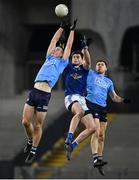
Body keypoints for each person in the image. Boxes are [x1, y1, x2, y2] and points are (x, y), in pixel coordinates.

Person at [22, 19, 77, 164]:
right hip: (34, 91)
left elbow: (69, 46)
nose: (55, 49)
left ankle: (34, 149)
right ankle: (30, 140)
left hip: (44, 95)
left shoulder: (62, 62)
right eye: (55, 49)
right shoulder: (49, 57)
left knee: (38, 125)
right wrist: (60, 28)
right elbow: (54, 40)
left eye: (58, 49)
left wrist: (71, 30)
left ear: (61, 53)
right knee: (25, 122)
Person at [86, 60, 131, 175]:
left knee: (101, 136)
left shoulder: (108, 81)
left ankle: (99, 160)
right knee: (96, 132)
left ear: (106, 68)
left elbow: (114, 97)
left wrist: (123, 100)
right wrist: (85, 48)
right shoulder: (91, 74)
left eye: (102, 64)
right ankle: (95, 158)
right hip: (92, 105)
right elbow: (85, 62)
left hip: (103, 109)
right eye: (98, 64)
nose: (99, 65)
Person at [63, 35, 96, 160]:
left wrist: (85, 48)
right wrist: (63, 44)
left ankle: (72, 145)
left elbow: (88, 61)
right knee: (80, 112)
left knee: (92, 128)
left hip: (82, 99)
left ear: (81, 60)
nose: (76, 58)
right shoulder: (68, 68)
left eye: (78, 57)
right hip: (71, 97)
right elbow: (67, 55)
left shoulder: (84, 69)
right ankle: (69, 137)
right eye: (74, 57)